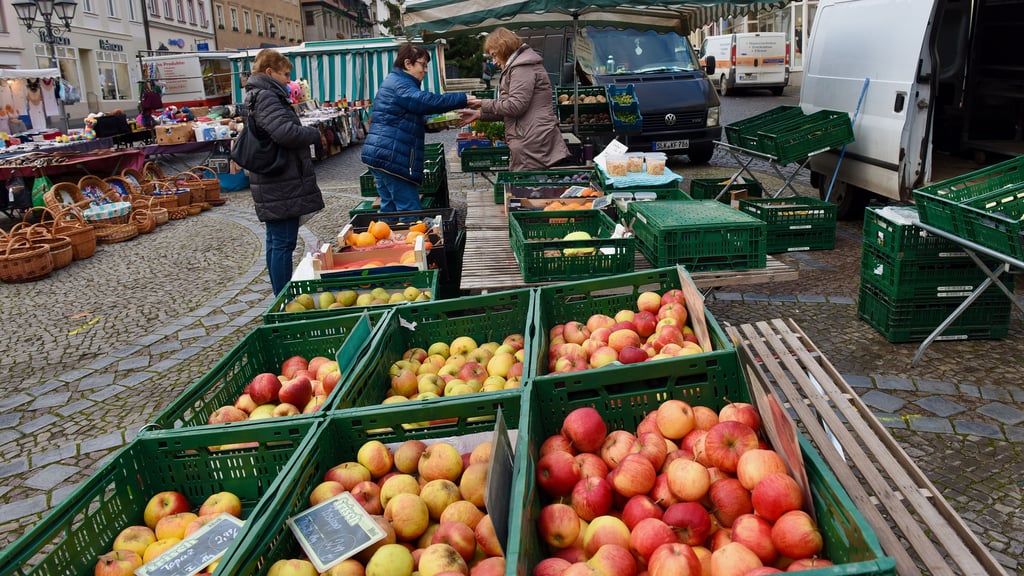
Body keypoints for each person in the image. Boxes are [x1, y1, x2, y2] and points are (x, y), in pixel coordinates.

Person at [243, 48, 325, 295]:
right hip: (280, 179)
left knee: (277, 240)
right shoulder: (267, 96)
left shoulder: (258, 94)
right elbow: (284, 133)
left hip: (274, 177)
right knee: (283, 242)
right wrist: (312, 133)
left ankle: (281, 294)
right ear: (270, 72)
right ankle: (283, 296)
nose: (289, 81)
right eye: (286, 75)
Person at [362, 44, 478, 212]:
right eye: (422, 65)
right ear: (408, 64)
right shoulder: (400, 84)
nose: (425, 70)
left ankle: (390, 229)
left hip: (380, 154)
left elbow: (406, 118)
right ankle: (409, 229)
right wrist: (461, 99)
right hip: (392, 158)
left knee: (389, 209)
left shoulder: (396, 81)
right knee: (409, 210)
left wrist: (438, 124)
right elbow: (425, 101)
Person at [460, 28, 570, 171]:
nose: (493, 61)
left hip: (532, 140)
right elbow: (510, 110)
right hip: (529, 138)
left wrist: (482, 103)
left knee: (528, 182)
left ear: (504, 48)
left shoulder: (522, 68)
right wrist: (479, 114)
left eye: (494, 55)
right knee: (527, 182)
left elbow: (515, 106)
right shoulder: (517, 67)